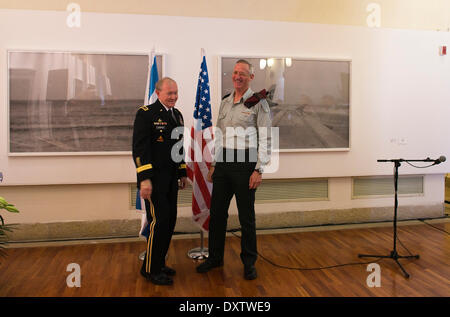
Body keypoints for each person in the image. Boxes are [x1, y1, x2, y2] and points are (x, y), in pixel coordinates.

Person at [196, 60, 272, 280]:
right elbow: (219, 135)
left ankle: (249, 263)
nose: (238, 76)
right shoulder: (225, 102)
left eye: (243, 73)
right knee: (217, 214)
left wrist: (259, 170)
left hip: (246, 164)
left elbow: (266, 138)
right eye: (236, 73)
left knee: (246, 217)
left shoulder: (259, 103)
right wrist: (214, 164)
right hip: (224, 163)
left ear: (251, 77)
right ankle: (215, 258)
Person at [132, 77, 187, 285]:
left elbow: (178, 148)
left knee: (169, 221)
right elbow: (140, 149)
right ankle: (150, 269)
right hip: (154, 181)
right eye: (169, 93)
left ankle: (159, 263)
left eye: (175, 92)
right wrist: (144, 179)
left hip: (171, 179)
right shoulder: (146, 114)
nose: (173, 97)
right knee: (159, 222)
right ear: (158, 93)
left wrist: (182, 172)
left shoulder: (177, 115)